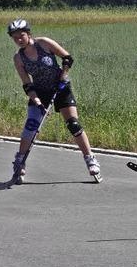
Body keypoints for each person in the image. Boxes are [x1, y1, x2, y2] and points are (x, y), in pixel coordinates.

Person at [7, 18, 101, 183]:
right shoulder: (18, 58)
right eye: (15, 38)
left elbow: (67, 58)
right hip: (40, 93)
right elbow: (27, 85)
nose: (19, 40)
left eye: (21, 35)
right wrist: (37, 102)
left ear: (28, 33)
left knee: (73, 124)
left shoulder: (44, 43)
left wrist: (63, 76)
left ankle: (90, 159)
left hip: (61, 88)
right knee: (31, 126)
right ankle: (20, 161)